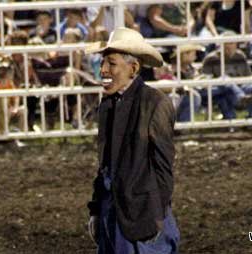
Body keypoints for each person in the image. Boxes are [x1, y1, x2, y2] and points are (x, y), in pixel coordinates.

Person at [86, 27, 180, 254]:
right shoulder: (108, 105)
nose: (103, 69)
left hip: (142, 215)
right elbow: (105, 165)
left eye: (111, 63)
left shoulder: (155, 103)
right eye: (103, 63)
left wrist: (155, 218)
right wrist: (97, 209)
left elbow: (163, 170)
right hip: (114, 211)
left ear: (133, 68)